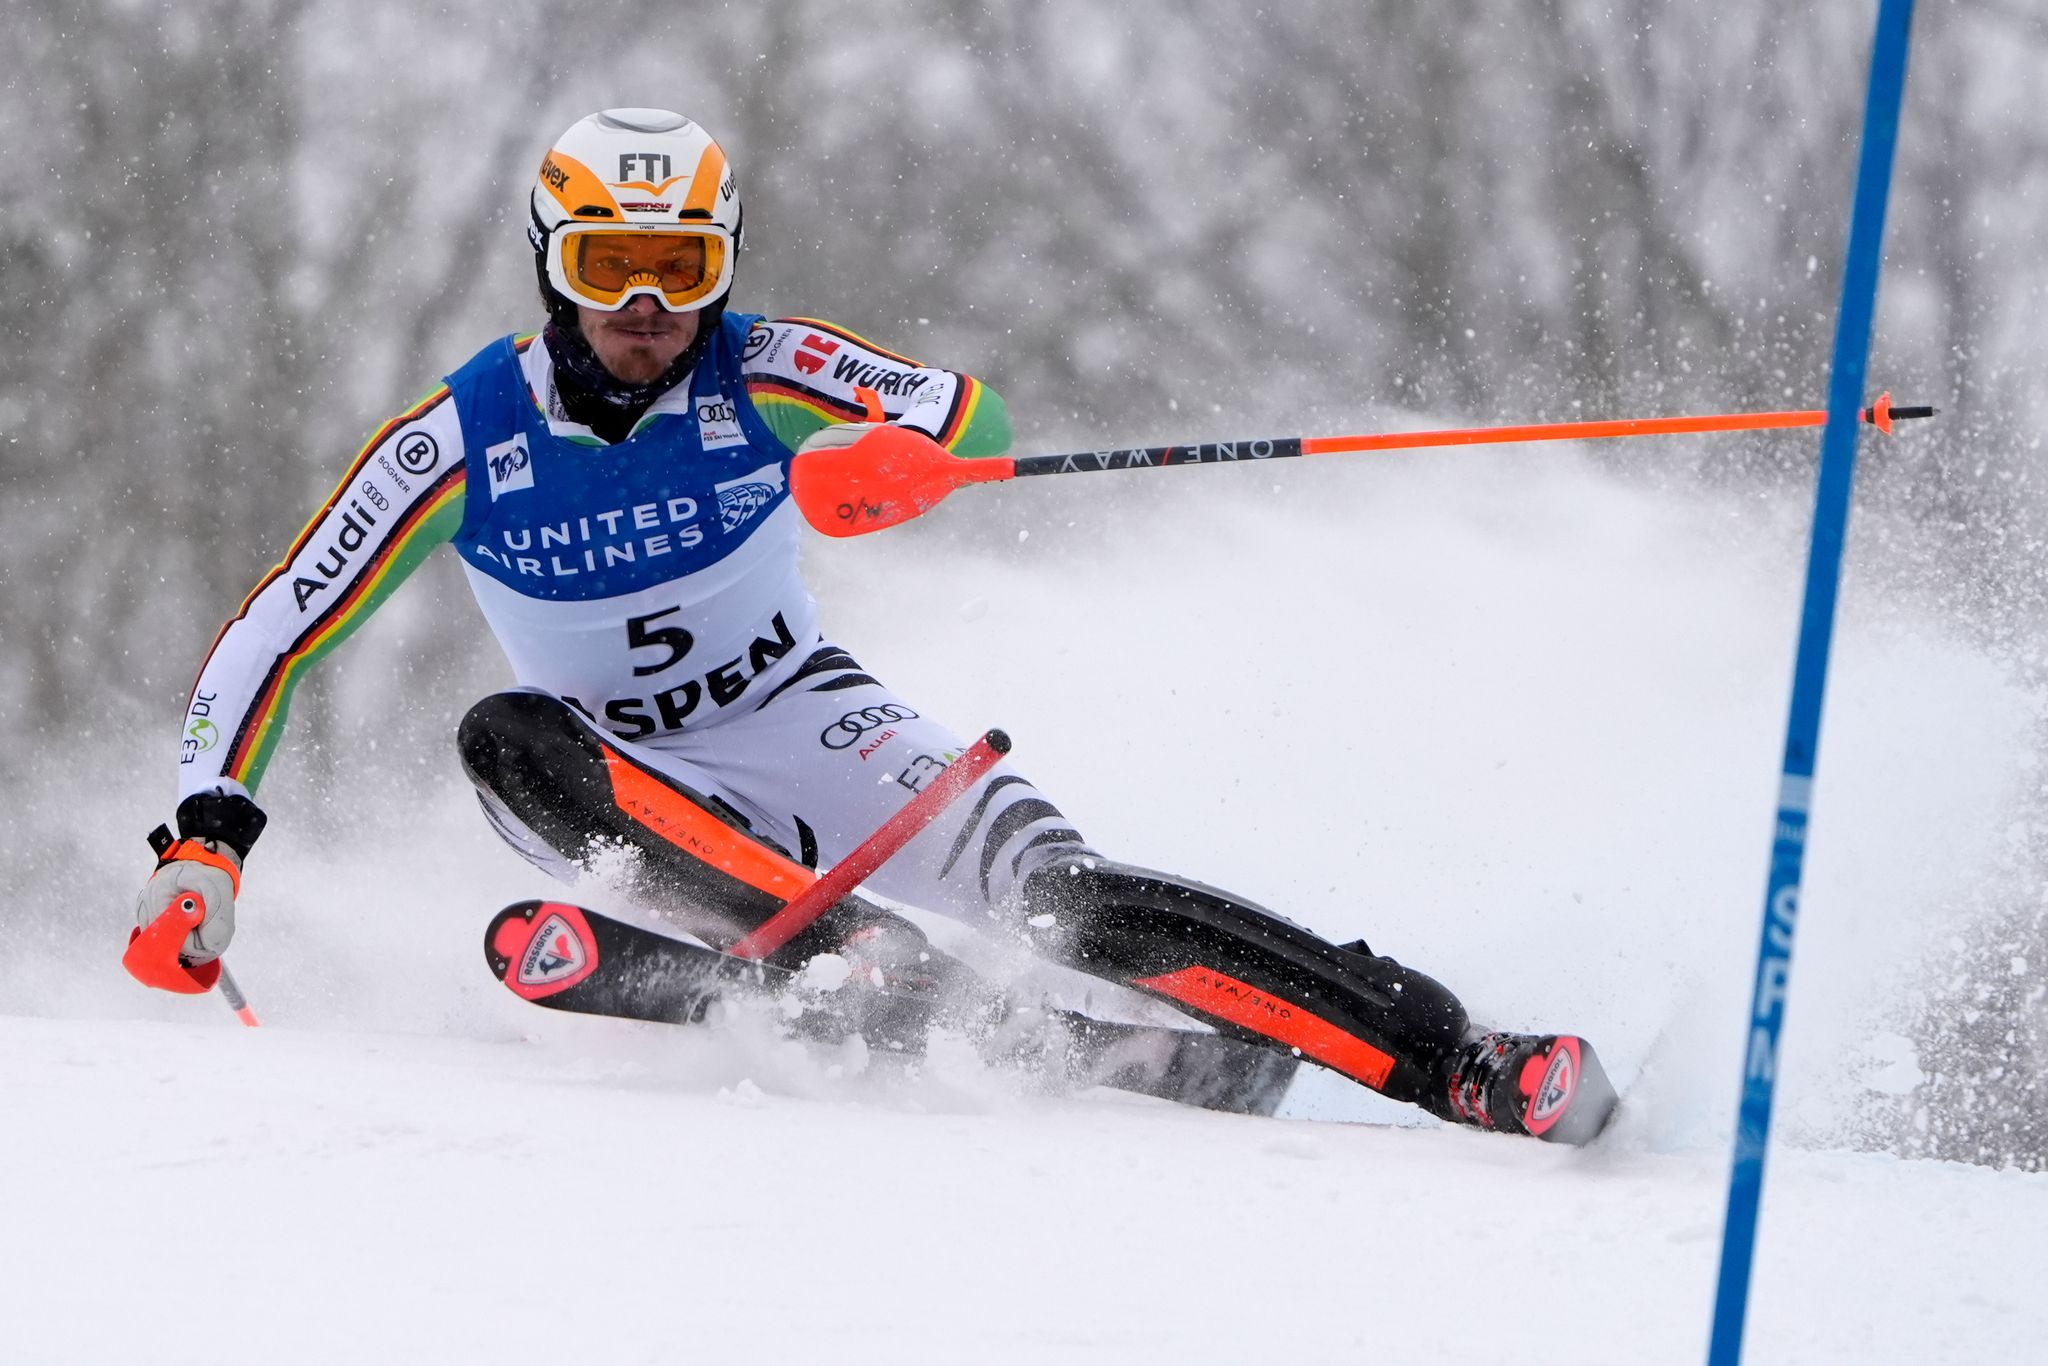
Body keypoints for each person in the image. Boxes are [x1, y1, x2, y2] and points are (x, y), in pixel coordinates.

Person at [137, 108, 1617, 1143]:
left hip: (817, 725)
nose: (647, 308)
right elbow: (278, 627)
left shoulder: (759, 367)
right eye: (606, 269)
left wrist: (891, 465)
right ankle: (852, 956)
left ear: (722, 264)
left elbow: (960, 410)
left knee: (1076, 904)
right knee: (503, 734)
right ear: (550, 263)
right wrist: (204, 845)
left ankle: (1455, 1060)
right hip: (626, 792)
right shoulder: (458, 440)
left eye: (682, 271)